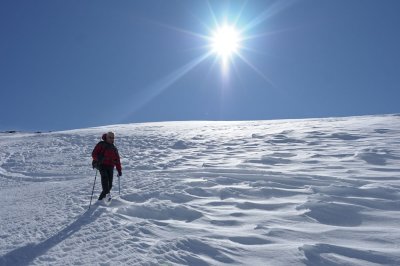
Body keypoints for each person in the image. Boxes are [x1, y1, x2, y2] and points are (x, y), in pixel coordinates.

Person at [92, 131, 122, 200]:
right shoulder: (101, 144)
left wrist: (119, 170)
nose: (112, 139)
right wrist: (98, 158)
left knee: (110, 185)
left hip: (110, 166)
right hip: (101, 164)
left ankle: (101, 199)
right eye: (110, 137)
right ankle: (107, 195)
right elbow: (94, 154)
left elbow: (117, 160)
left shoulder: (114, 148)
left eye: (113, 138)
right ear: (107, 137)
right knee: (105, 177)